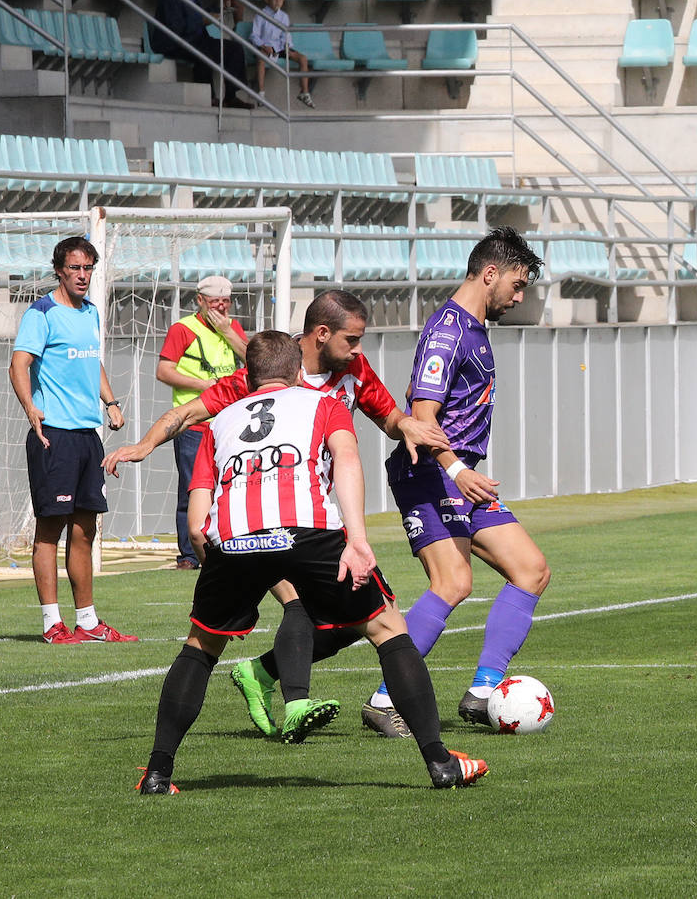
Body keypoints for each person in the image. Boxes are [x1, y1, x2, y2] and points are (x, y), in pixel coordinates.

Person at [135, 330, 488, 793]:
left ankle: (158, 773)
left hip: (235, 541)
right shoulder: (324, 403)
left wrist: (218, 565)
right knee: (387, 628)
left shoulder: (219, 422)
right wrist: (357, 540)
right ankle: (440, 763)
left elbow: (198, 523)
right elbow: (347, 461)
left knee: (201, 647)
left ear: (249, 377)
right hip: (308, 531)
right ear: (298, 371)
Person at [102, 289, 449, 733]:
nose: (358, 350)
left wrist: (408, 426)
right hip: (264, 518)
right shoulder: (265, 375)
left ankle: (261, 673)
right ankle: (298, 706)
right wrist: (143, 446)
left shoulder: (354, 370)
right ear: (321, 334)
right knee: (307, 606)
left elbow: (387, 415)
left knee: (365, 615)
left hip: (315, 518)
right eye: (351, 339)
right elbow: (189, 413)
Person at [363, 226, 551, 731]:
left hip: (458, 474)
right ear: (490, 273)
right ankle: (385, 699)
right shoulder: (448, 331)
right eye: (517, 284)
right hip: (433, 472)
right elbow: (422, 416)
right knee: (453, 582)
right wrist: (456, 468)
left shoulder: (473, 328)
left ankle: (484, 691)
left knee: (531, 570)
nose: (519, 296)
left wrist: (462, 470)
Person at [9, 237, 137, 644]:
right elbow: (18, 365)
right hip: (54, 437)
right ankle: (52, 623)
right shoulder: (41, 313)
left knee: (85, 530)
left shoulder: (91, 312)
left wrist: (110, 402)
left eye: (88, 268)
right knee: (50, 529)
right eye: (75, 268)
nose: (82, 275)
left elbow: (92, 361)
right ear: (59, 271)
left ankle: (88, 621)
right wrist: (31, 408)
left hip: (87, 437)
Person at [156, 275, 248, 570]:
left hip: (228, 424)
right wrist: (204, 385)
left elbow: (255, 360)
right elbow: (164, 371)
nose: (220, 307)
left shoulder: (232, 327)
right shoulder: (183, 329)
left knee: (229, 485)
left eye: (225, 301)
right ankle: (189, 554)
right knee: (192, 488)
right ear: (200, 301)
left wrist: (228, 332)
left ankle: (226, 545)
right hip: (193, 424)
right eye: (214, 302)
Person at [151, 0, 254, 109]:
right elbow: (176, 28)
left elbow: (199, 14)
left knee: (234, 49)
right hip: (175, 43)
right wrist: (203, 20)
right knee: (205, 53)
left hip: (195, 40)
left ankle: (231, 97)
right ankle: (208, 97)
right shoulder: (170, 1)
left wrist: (219, 8)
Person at [251, 0, 315, 108]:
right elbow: (254, 35)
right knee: (261, 58)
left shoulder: (284, 16)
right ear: (267, 0)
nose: (278, 2)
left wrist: (287, 46)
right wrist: (263, 45)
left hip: (280, 47)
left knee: (303, 58)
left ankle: (304, 92)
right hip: (266, 47)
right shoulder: (260, 14)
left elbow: (286, 35)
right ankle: (261, 93)